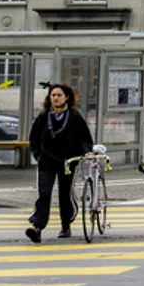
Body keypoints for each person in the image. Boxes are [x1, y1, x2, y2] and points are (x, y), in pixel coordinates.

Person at [25, 83, 93, 243]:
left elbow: (84, 137)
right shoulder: (43, 116)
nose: (55, 98)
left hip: (67, 162)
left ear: (66, 97)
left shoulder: (74, 116)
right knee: (44, 193)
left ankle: (65, 225)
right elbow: (34, 138)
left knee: (65, 194)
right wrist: (38, 155)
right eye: (53, 95)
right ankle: (38, 228)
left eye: (58, 95)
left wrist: (87, 150)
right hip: (46, 161)